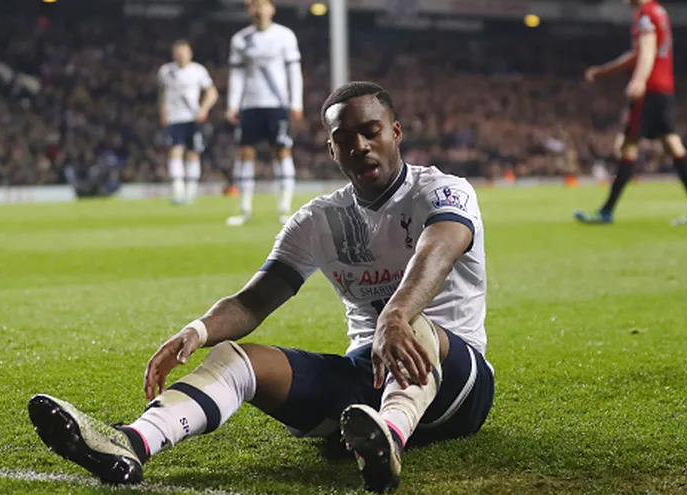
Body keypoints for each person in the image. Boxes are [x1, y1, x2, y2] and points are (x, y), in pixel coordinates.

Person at [27, 82, 495, 494]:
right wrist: (197, 331)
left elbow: (437, 251)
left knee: (414, 324)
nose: (360, 146)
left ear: (396, 131)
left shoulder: (443, 192)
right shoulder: (318, 221)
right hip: (365, 382)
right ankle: (130, 442)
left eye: (371, 131)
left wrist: (395, 315)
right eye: (344, 138)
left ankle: (389, 437)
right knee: (235, 357)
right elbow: (253, 302)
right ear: (331, 150)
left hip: (457, 383)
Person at [574, 0, 687, 225]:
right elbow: (639, 53)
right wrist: (603, 72)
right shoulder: (659, 11)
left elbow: (647, 49)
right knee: (672, 143)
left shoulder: (645, 14)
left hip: (649, 89)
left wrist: (639, 80)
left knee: (628, 146)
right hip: (664, 88)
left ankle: (606, 212)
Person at [225, 0, 304, 226]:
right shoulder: (240, 39)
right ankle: (244, 210)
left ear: (272, 9)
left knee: (282, 151)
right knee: (245, 153)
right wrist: (233, 104)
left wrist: (296, 102)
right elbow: (237, 75)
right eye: (254, 6)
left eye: (263, 5)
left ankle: (284, 210)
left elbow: (294, 71)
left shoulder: (285, 35)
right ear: (249, 10)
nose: (259, 10)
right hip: (250, 104)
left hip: (277, 104)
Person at [157, 39, 219, 205]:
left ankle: (191, 192)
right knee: (175, 151)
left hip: (193, 118)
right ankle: (177, 191)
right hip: (174, 118)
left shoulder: (198, 71)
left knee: (193, 153)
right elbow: (163, 94)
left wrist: (203, 109)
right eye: (178, 53)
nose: (181, 56)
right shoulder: (166, 71)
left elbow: (212, 93)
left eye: (184, 52)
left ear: (190, 54)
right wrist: (163, 112)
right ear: (173, 55)